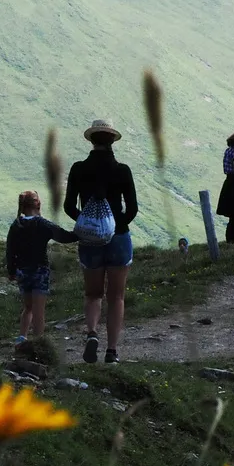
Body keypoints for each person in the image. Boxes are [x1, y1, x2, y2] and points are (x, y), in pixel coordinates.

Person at [64, 119, 138, 364]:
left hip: (89, 242)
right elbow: (132, 209)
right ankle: (112, 351)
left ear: (92, 141)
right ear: (112, 142)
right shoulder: (122, 170)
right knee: (116, 296)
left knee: (93, 294)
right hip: (118, 238)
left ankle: (92, 333)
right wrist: (116, 226)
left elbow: (68, 207)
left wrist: (87, 224)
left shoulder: (78, 169)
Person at [5, 191, 77, 344]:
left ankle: (22, 337)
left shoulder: (16, 225)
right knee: (39, 310)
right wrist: (81, 233)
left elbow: (10, 250)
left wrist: (11, 271)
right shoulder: (42, 224)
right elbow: (63, 236)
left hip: (22, 272)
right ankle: (38, 342)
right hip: (40, 270)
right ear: (37, 204)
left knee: (28, 307)